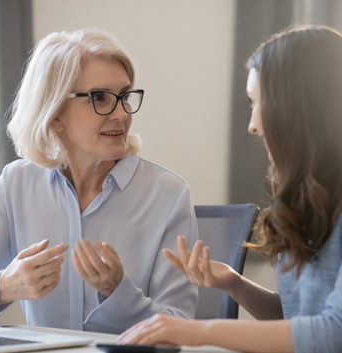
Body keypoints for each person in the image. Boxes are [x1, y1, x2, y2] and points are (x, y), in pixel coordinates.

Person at [118, 25, 342, 352]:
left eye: (257, 102)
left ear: (297, 107)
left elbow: (332, 335)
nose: (252, 124)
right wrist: (234, 284)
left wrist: (199, 331)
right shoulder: (315, 197)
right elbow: (298, 321)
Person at [0, 28, 199, 334]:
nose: (121, 113)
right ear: (54, 114)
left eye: (123, 96)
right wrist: (3, 286)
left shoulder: (169, 194)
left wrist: (118, 292)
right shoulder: (16, 183)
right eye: (100, 98)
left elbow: (180, 327)